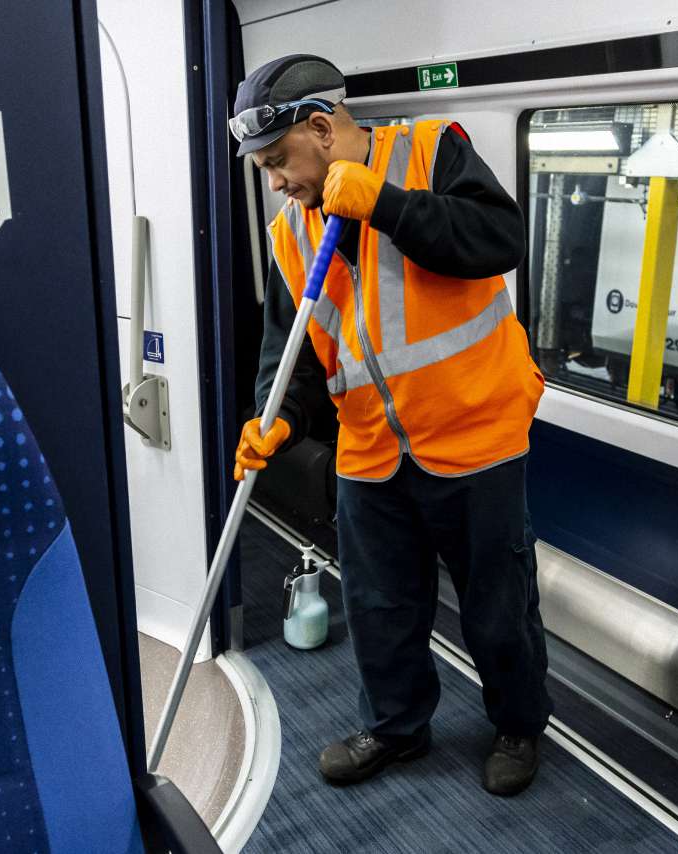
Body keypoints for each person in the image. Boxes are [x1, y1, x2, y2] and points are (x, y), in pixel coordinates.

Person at [231, 54, 551, 797]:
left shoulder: (431, 148)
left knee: (498, 604)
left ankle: (517, 723)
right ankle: (398, 727)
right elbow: (295, 355)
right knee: (377, 607)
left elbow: (498, 240)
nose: (277, 182)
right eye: (264, 169)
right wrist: (273, 420)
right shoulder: (290, 234)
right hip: (371, 449)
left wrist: (388, 204)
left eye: (280, 161)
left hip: (474, 435)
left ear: (321, 126)